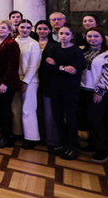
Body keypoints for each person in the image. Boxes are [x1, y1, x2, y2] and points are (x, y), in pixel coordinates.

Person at [44, 25, 85, 160]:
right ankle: (62, 143)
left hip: (70, 88)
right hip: (55, 87)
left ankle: (72, 145)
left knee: (71, 116)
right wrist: (62, 67)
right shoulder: (54, 49)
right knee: (57, 116)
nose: (64, 36)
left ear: (72, 36)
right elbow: (47, 67)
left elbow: (73, 70)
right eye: (61, 33)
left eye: (67, 34)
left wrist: (56, 66)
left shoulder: (76, 51)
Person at [79, 27, 108, 163]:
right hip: (83, 90)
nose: (92, 39)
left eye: (96, 36)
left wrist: (100, 91)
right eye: (89, 36)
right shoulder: (84, 51)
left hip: (98, 92)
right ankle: (94, 143)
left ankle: (103, 150)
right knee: (86, 119)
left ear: (102, 38)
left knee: (94, 119)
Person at [0, 20, 21, 148]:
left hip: (6, 83)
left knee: (5, 111)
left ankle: (7, 138)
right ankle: (3, 135)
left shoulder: (11, 44)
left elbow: (13, 66)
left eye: (3, 28)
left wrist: (5, 83)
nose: (0, 30)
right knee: (0, 110)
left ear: (9, 30)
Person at [12, 19, 42, 149]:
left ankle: (31, 137)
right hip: (14, 79)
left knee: (28, 109)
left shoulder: (33, 44)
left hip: (30, 80)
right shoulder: (14, 42)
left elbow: (33, 65)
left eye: (28, 27)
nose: (24, 30)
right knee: (16, 108)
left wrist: (25, 81)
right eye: (22, 27)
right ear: (18, 28)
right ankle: (18, 132)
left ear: (31, 30)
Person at [35, 20, 60, 151]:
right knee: (36, 110)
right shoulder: (32, 43)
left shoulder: (55, 45)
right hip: (33, 80)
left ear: (49, 30)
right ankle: (40, 136)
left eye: (45, 29)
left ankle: (52, 140)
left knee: (49, 113)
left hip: (49, 81)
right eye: (39, 28)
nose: (42, 31)